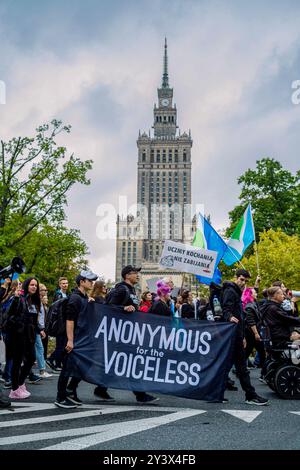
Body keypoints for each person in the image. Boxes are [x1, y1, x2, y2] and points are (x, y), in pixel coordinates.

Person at [106, 265, 158, 403]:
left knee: (114, 363)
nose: (137, 275)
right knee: (132, 364)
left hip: (128, 333)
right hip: (119, 333)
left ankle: (100, 388)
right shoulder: (121, 289)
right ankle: (140, 395)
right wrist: (123, 307)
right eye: (135, 273)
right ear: (127, 275)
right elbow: (108, 307)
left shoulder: (132, 289)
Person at [222, 269, 269, 405]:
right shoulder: (230, 291)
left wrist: (242, 336)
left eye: (246, 281)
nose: (243, 283)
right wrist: (230, 317)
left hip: (237, 335)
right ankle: (250, 395)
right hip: (232, 335)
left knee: (235, 367)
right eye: (242, 279)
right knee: (240, 367)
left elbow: (241, 314)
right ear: (236, 277)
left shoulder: (237, 291)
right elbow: (226, 309)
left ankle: (249, 395)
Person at [55, 270, 98, 408]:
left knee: (82, 367)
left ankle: (70, 391)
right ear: (82, 282)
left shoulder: (83, 297)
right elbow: (70, 320)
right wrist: (70, 340)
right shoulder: (74, 298)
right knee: (67, 369)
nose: (92, 283)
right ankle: (60, 398)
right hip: (73, 339)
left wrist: (89, 301)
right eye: (90, 280)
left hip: (82, 339)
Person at [6, 277, 42, 399]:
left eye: (36, 285)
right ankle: (14, 389)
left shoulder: (34, 300)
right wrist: (16, 297)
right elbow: (10, 313)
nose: (34, 287)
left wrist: (40, 330)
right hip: (18, 335)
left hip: (30, 335)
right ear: (26, 285)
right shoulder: (19, 298)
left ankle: (20, 383)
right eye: (32, 285)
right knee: (17, 362)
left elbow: (33, 319)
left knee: (31, 358)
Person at [47, 277, 70, 372]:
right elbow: (56, 309)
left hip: (64, 323)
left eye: (66, 283)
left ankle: (57, 363)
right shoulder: (58, 295)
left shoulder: (67, 295)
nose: (65, 285)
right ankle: (52, 360)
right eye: (63, 283)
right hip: (60, 324)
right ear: (60, 285)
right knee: (60, 345)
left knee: (63, 344)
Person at [242, 287, 266, 373]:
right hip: (251, 333)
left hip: (253, 333)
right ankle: (239, 370)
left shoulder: (254, 303)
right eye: (254, 293)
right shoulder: (249, 306)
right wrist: (256, 333)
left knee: (259, 351)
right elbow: (250, 321)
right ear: (250, 294)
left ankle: (264, 372)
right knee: (249, 352)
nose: (256, 294)